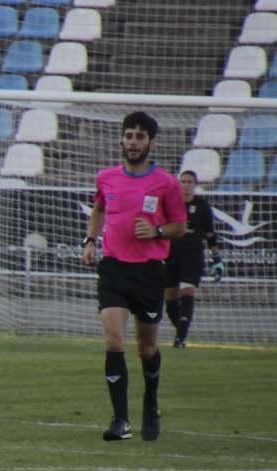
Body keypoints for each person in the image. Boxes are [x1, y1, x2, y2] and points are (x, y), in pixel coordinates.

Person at [80, 111, 187, 443]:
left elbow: (180, 226)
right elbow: (99, 209)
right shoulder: (106, 177)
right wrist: (91, 240)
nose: (132, 142)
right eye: (128, 136)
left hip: (149, 273)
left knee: (146, 348)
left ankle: (150, 404)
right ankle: (120, 421)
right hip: (113, 268)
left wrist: (156, 229)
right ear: (122, 139)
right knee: (114, 341)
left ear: (151, 143)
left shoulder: (167, 183)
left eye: (140, 137)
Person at [164, 170, 225, 349]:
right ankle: (180, 333)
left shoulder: (202, 206)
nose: (186, 185)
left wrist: (217, 258)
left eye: (190, 181)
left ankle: (179, 339)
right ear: (178, 184)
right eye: (183, 181)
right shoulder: (171, 205)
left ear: (195, 184)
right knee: (170, 297)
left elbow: (210, 233)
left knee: (187, 291)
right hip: (171, 254)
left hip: (192, 254)